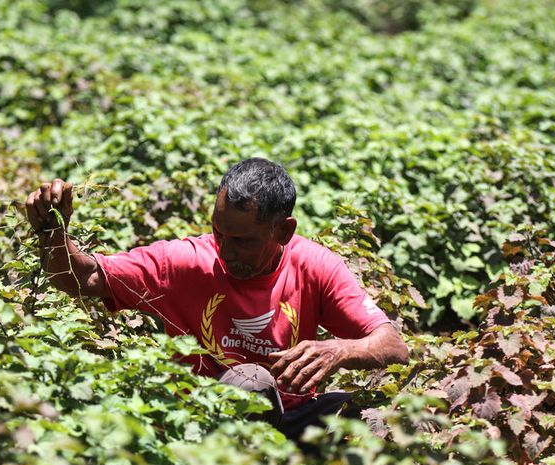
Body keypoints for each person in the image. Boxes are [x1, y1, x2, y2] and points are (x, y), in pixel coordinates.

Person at [24, 158, 408, 440]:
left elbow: (392, 345)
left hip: (294, 418)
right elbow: (82, 276)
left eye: (242, 240)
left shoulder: (315, 265)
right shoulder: (186, 262)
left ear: (284, 231)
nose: (225, 249)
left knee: (384, 416)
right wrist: (52, 232)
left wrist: (337, 351)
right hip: (203, 421)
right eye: (218, 233)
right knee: (253, 381)